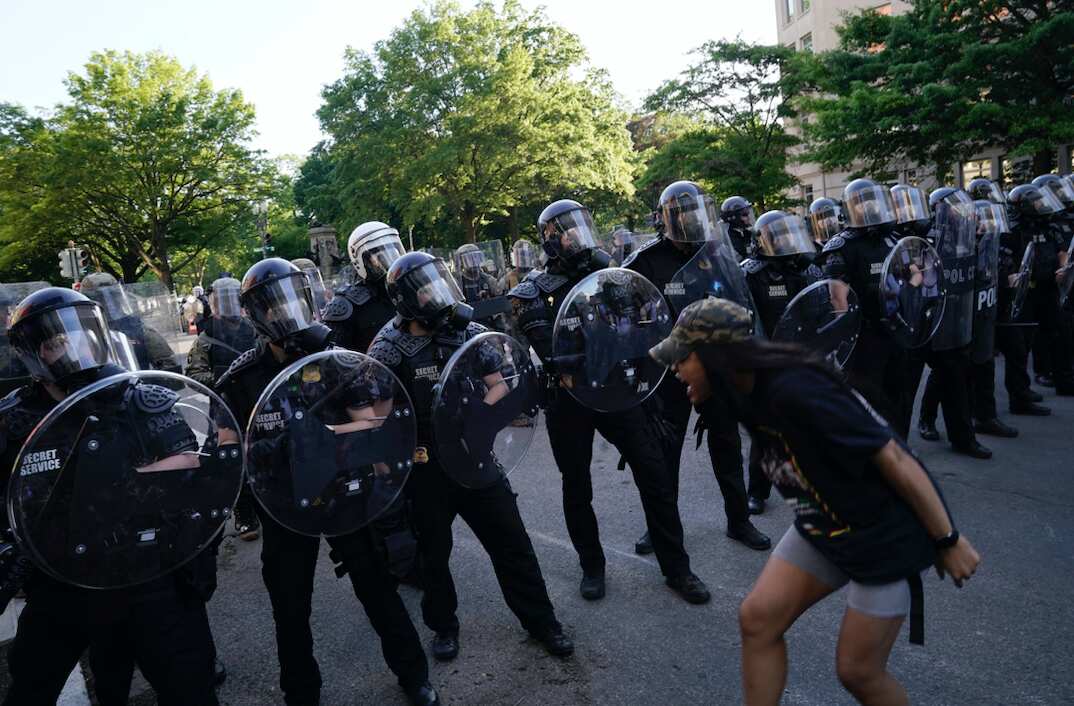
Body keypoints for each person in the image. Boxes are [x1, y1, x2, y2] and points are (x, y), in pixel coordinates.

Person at [649, 297, 980, 706]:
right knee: (758, 620)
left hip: (881, 538)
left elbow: (893, 455)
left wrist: (947, 538)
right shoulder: (738, 389)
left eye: (683, 358)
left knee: (858, 671)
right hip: (823, 523)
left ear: (716, 356)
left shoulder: (797, 389)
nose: (676, 368)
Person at [215, 259, 439, 706]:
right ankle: (301, 692)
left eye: (292, 299)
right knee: (290, 602)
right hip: (285, 503)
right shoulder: (242, 378)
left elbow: (373, 420)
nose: (285, 311)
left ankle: (413, 674)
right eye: (273, 304)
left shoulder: (335, 360)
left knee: (377, 585)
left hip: (343, 492)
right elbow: (226, 450)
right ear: (255, 313)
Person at [1, 287, 221, 706]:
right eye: (53, 343)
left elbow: (191, 479)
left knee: (190, 686)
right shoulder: (15, 422)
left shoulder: (141, 401)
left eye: (78, 336)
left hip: (144, 569)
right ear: (33, 353)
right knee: (31, 686)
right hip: (60, 581)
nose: (69, 351)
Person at [368, 251, 573, 663]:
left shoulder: (468, 333)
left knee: (513, 542)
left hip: (474, 457)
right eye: (424, 288)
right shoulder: (387, 347)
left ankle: (542, 621)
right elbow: (377, 415)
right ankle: (443, 626)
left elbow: (498, 384)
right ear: (407, 298)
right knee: (433, 554)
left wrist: (476, 413)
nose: (436, 294)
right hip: (426, 469)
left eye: (437, 282)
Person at [508, 198, 709, 604]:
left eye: (579, 225)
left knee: (654, 473)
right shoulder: (531, 293)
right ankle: (592, 566)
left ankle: (678, 568)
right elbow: (554, 355)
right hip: (570, 400)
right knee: (577, 485)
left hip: (619, 390)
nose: (575, 237)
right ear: (549, 241)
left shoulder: (613, 278)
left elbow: (644, 325)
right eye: (565, 231)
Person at [623, 180, 769, 548]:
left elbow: (739, 299)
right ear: (667, 217)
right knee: (664, 454)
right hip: (670, 369)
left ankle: (739, 520)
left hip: (716, 365)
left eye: (695, 211)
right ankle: (658, 528)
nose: (690, 219)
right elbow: (626, 320)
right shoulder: (644, 261)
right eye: (682, 212)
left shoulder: (717, 251)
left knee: (727, 444)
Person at [740, 209, 823, 510]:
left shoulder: (803, 268)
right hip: (765, 361)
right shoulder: (750, 273)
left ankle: (806, 487)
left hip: (799, 357)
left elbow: (820, 310)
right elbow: (745, 320)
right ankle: (757, 492)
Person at [919, 199, 1019, 439]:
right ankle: (927, 419)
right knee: (945, 372)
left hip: (982, 306)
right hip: (954, 312)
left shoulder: (981, 240)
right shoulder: (943, 239)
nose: (978, 223)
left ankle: (985, 416)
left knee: (984, 363)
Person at [819, 179, 910, 436]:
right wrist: (846, 340)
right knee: (868, 397)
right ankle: (871, 453)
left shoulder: (893, 238)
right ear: (852, 208)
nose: (871, 208)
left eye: (874, 201)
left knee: (899, 393)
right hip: (865, 334)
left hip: (896, 326)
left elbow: (912, 278)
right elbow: (838, 298)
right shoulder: (842, 246)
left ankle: (899, 447)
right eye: (864, 203)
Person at [906, 187, 991, 459]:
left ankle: (964, 438)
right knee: (910, 383)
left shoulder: (964, 233)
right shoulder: (923, 234)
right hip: (924, 315)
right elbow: (914, 277)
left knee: (953, 375)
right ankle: (917, 428)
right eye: (950, 207)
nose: (956, 212)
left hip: (953, 313)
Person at [185, 276, 261, 541]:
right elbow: (195, 376)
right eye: (223, 298)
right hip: (225, 407)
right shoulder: (205, 340)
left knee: (265, 454)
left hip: (256, 402)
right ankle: (244, 512)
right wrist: (225, 378)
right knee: (232, 460)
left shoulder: (254, 329)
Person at [1009, 183, 1073, 395]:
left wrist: (1063, 268)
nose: (1041, 204)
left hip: (1049, 289)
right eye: (1036, 201)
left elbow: (1062, 250)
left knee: (1058, 334)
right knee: (1022, 342)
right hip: (1026, 292)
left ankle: (1063, 380)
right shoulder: (1015, 230)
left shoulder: (1050, 226)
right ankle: (1025, 388)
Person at [322, 220, 407, 354]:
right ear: (360, 261)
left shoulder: (409, 292)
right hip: (369, 372)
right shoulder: (345, 306)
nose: (390, 261)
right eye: (379, 256)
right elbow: (333, 358)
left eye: (394, 251)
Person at [80, 272, 180, 373]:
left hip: (134, 385)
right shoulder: (78, 332)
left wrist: (152, 382)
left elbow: (169, 366)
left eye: (112, 296)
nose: (107, 302)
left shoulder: (138, 329)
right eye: (99, 298)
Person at [720, 196, 757, 260]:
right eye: (745, 214)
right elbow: (745, 254)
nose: (748, 217)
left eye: (748, 213)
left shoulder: (745, 230)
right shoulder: (729, 237)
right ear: (734, 218)